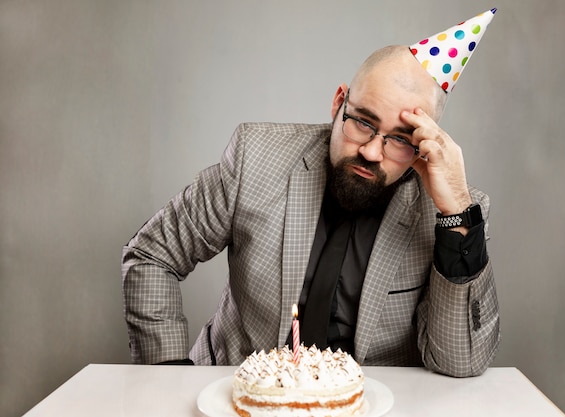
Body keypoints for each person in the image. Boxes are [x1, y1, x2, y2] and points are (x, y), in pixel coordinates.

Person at [122, 10, 500, 377]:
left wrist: (456, 213)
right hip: (237, 394)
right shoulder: (255, 157)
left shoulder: (449, 212)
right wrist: (167, 376)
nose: (371, 151)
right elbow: (152, 252)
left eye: (400, 140)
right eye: (363, 123)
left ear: (423, 144)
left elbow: (460, 362)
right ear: (339, 104)